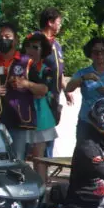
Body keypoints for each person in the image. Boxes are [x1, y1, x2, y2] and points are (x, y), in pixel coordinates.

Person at [0, 23, 38, 161]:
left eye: (7, 36)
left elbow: (43, 89)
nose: (4, 39)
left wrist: (26, 83)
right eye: (1, 37)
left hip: (19, 119)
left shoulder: (27, 62)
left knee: (17, 159)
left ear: (16, 40)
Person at [21, 33, 59, 176]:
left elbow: (41, 91)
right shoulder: (17, 66)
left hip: (41, 116)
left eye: (35, 47)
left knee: (39, 158)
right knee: (19, 156)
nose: (30, 50)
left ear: (43, 50)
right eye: (28, 46)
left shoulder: (47, 69)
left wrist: (26, 85)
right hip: (20, 114)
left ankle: (41, 193)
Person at [67, 38, 104, 137]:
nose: (99, 54)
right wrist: (83, 78)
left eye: (102, 51)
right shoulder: (83, 72)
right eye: (95, 52)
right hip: (87, 122)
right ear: (90, 54)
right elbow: (68, 88)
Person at [39, 8, 69, 155]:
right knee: (40, 138)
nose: (60, 25)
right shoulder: (37, 42)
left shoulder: (56, 45)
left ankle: (45, 169)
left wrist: (66, 90)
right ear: (50, 22)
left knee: (50, 134)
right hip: (40, 98)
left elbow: (59, 71)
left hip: (53, 98)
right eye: (59, 22)